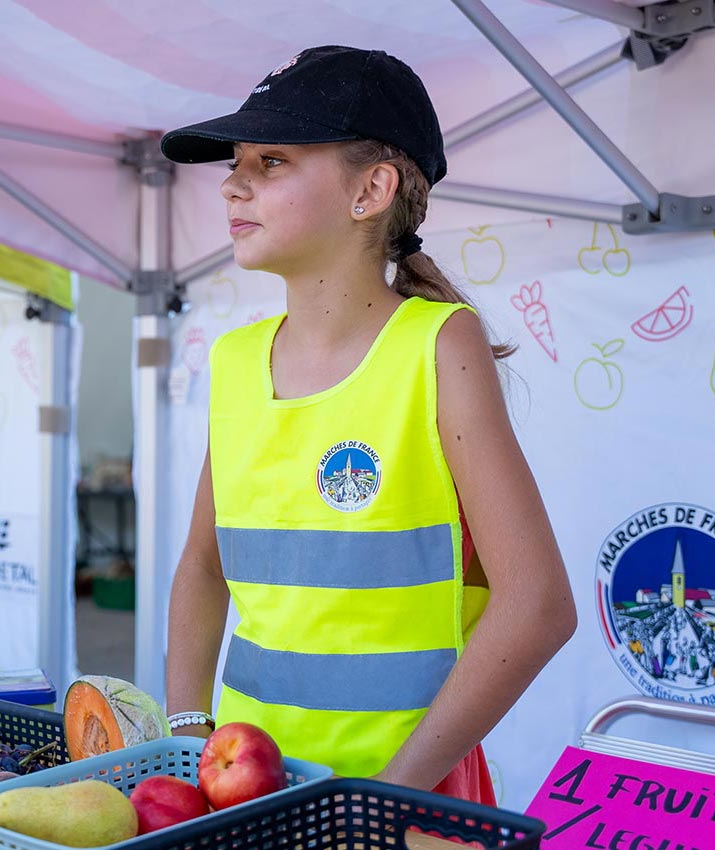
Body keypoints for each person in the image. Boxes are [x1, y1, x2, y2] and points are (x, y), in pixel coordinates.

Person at [158, 45, 577, 804]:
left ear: (371, 190)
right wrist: (188, 738)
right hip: (246, 795)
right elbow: (202, 568)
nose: (232, 182)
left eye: (272, 160)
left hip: (401, 804)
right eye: (237, 161)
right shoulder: (232, 360)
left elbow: (538, 604)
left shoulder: (438, 344)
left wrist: (390, 793)